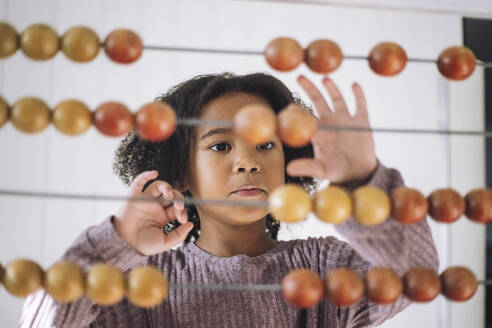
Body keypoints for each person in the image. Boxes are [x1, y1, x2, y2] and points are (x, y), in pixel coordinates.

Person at [19, 72, 438, 327]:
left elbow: (414, 276)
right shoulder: (139, 282)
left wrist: (363, 183)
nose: (247, 163)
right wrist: (118, 245)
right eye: (220, 147)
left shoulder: (326, 269)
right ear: (181, 174)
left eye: (266, 145)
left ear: (290, 160)